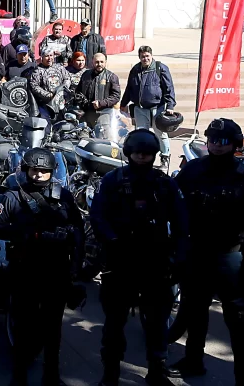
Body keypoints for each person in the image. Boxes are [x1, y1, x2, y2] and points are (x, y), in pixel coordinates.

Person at [169, 118, 244, 384]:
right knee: (194, 310)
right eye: (213, 141)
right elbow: (173, 208)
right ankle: (193, 361)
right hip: (197, 252)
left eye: (223, 142)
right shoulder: (193, 169)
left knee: (236, 318)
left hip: (232, 256)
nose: (216, 146)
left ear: (235, 145)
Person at [90, 129, 188, 386]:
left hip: (156, 262)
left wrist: (180, 256)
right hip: (120, 262)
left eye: (148, 154)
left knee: (157, 324)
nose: (143, 157)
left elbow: (181, 222)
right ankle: (110, 372)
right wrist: (111, 242)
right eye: (138, 153)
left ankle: (157, 371)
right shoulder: (112, 180)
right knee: (114, 323)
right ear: (129, 153)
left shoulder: (165, 183)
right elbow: (97, 215)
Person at [0, 148, 87, 386]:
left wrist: (76, 268)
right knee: (24, 327)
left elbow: (79, 232)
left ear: (52, 172)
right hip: (25, 270)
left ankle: (51, 375)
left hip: (57, 271)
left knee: (53, 328)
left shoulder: (64, 197)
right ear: (26, 170)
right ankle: (19, 376)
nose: (38, 175)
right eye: (35, 170)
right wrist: (27, 234)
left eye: (44, 171)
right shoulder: (14, 196)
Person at [121, 47, 177, 163]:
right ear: (139, 57)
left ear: (151, 56)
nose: (145, 59)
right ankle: (143, 159)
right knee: (141, 134)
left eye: (147, 56)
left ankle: (164, 158)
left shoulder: (160, 68)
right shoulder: (135, 69)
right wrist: (123, 103)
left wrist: (170, 106)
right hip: (140, 109)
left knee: (160, 134)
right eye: (142, 57)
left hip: (158, 108)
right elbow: (129, 88)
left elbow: (169, 88)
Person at [76, 53, 121, 137]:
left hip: (104, 114)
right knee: (83, 141)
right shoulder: (86, 75)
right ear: (92, 62)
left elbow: (116, 96)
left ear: (105, 62)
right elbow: (78, 91)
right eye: (97, 62)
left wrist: (101, 103)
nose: (99, 64)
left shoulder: (111, 77)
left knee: (102, 141)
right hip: (87, 114)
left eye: (101, 62)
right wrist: (81, 102)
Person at [29, 49, 69, 120]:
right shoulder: (37, 71)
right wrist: (48, 95)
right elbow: (34, 86)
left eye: (51, 55)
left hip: (60, 102)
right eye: (47, 56)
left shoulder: (60, 67)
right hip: (46, 104)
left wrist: (62, 91)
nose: (49, 58)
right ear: (42, 58)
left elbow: (67, 79)